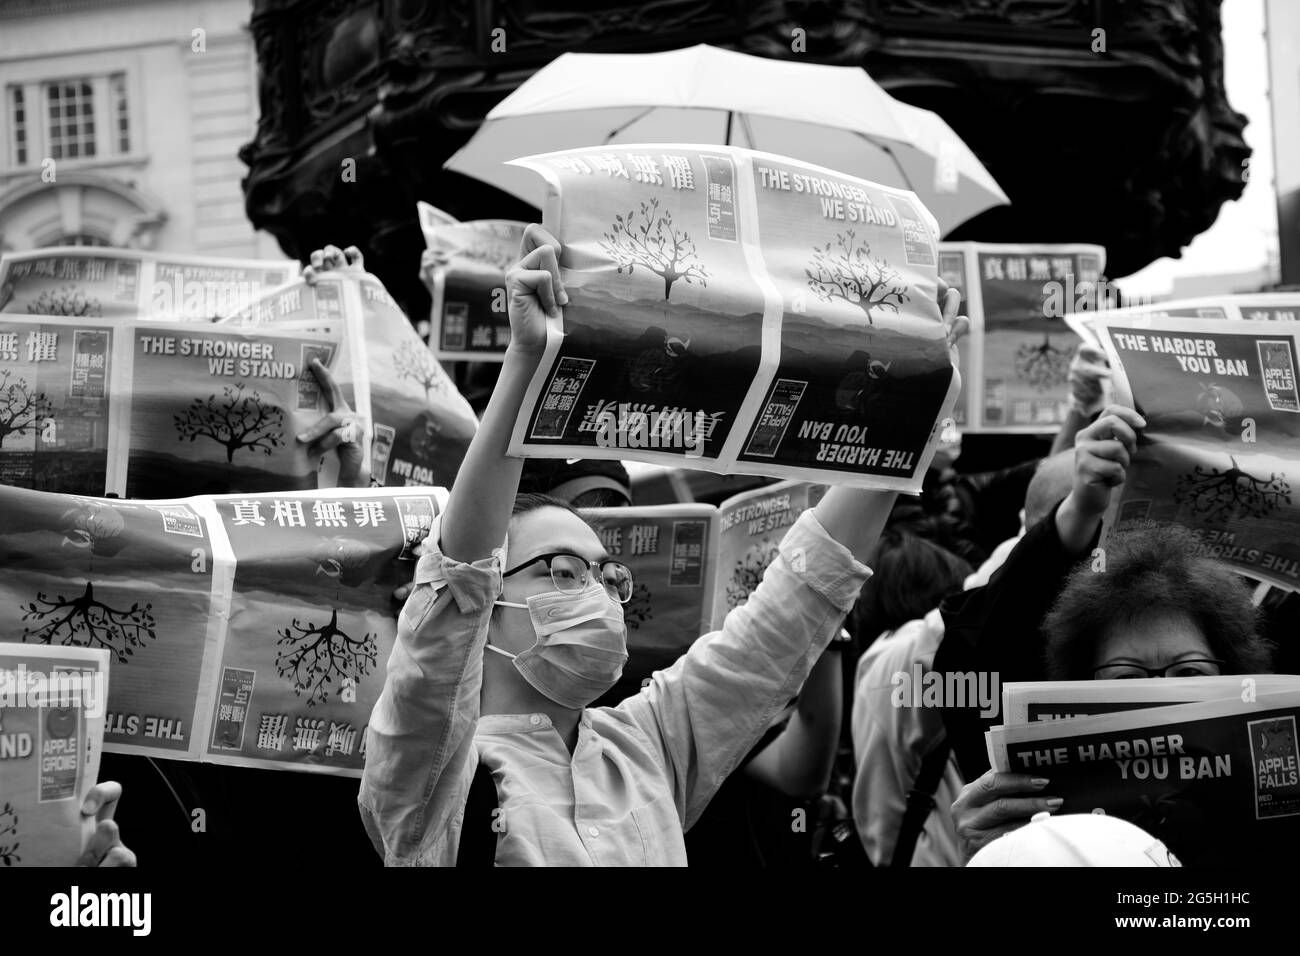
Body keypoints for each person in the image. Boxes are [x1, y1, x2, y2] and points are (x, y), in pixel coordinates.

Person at [356, 225, 967, 865]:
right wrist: (527, 363)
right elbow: (456, 579)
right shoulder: (431, 772)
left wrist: (911, 417)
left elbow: (800, 598)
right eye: (563, 573)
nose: (595, 593)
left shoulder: (646, 745)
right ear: (488, 605)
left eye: (606, 576)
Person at [946, 404, 1274, 863]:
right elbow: (982, 650)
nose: (1161, 700)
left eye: (1190, 673)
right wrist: (1009, 854)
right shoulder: (1043, 837)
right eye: (1125, 678)